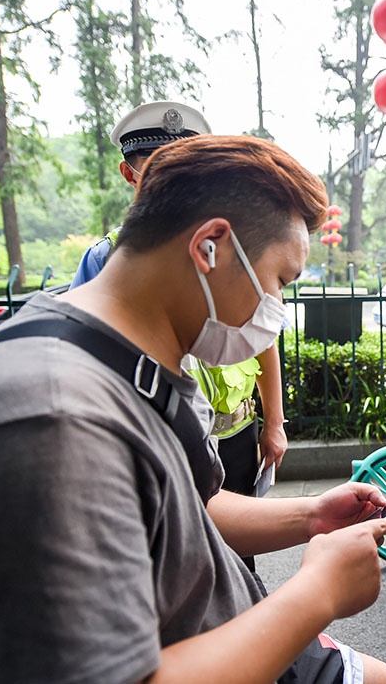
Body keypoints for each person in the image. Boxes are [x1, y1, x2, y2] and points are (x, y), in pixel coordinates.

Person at [0, 135, 386, 683]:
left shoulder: (130, 359)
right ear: (209, 247)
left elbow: (183, 510)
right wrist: (318, 593)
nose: (277, 308)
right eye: (279, 281)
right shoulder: (52, 420)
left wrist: (310, 517)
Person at [71, 101, 288, 569]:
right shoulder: (103, 260)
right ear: (130, 175)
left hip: (229, 428)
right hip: (160, 433)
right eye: (158, 169)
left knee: (235, 558)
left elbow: (262, 335)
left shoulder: (231, 251)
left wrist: (273, 421)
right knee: (182, 555)